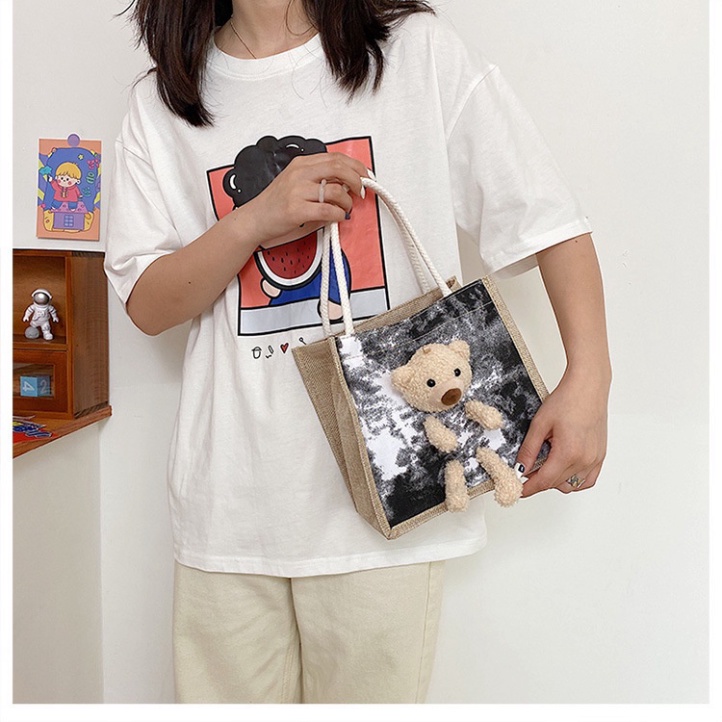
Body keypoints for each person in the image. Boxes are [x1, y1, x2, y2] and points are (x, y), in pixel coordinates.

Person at [105, 0, 611, 704]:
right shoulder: (163, 100)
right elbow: (147, 304)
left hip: (389, 499)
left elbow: (546, 217)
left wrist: (589, 381)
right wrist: (254, 221)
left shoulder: (414, 52)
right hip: (229, 504)